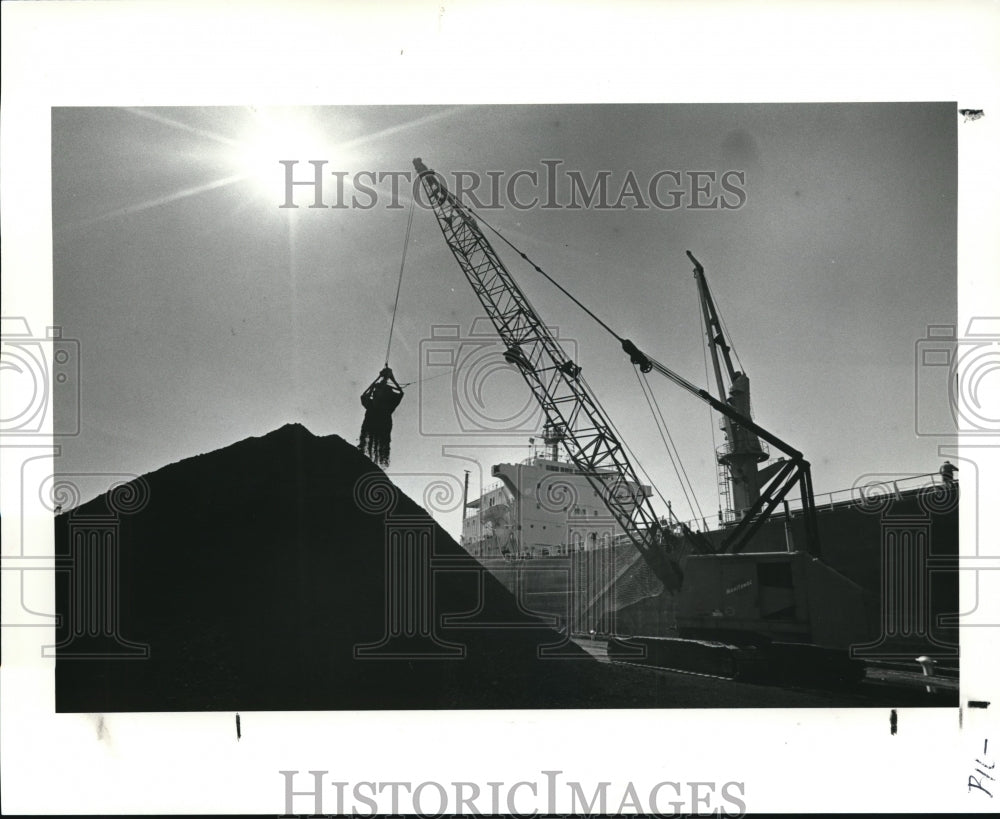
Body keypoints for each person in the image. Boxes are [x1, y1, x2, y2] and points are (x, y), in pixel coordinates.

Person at [358, 367, 404, 466]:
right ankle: (374, 463)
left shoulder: (373, 405)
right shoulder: (387, 406)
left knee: (370, 445)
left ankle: (372, 462)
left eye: (376, 393)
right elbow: (401, 393)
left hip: (376, 426)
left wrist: (378, 379)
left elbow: (363, 396)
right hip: (382, 426)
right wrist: (391, 378)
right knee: (378, 448)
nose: (375, 394)